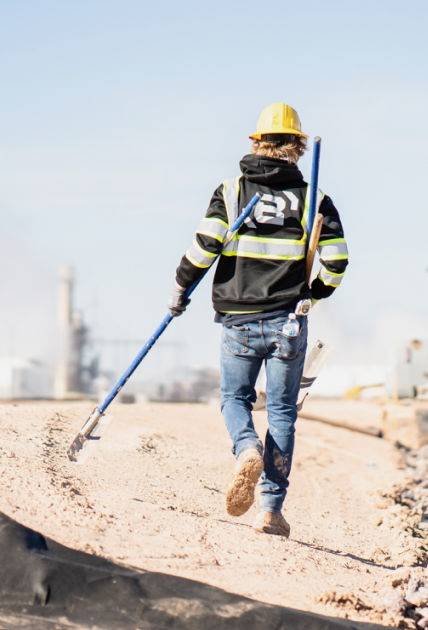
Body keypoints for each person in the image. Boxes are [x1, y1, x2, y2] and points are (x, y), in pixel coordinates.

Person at [167, 103, 348, 537]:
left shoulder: (232, 192)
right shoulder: (315, 199)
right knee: (283, 412)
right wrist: (312, 295)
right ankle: (270, 509)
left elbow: (205, 247)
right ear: (298, 149)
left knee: (235, 399)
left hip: (238, 320)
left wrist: (180, 288)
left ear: (257, 144)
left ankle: (246, 449)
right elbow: (338, 262)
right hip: (289, 320)